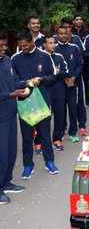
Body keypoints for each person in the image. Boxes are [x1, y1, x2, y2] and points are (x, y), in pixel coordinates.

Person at [11, 30, 59, 179]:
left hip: (42, 102)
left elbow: (53, 77)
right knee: (26, 136)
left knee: (45, 134)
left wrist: (41, 80)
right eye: (20, 46)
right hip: (24, 102)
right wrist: (26, 82)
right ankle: (28, 165)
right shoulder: (15, 59)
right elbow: (13, 81)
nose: (23, 48)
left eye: (25, 45)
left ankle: (49, 162)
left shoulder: (45, 56)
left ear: (31, 41)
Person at [0, 33, 27, 204]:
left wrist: (27, 83)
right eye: (0, 45)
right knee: (1, 155)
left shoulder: (7, 60)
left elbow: (15, 80)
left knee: (10, 152)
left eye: (4, 45)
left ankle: (6, 181)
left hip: (10, 113)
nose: (4, 48)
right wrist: (11, 94)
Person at [59, 18, 87, 135]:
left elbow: (80, 62)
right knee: (62, 105)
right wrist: (65, 78)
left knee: (77, 103)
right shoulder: (54, 46)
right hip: (61, 81)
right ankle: (62, 127)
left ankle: (80, 126)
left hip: (75, 80)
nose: (65, 33)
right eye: (62, 31)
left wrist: (74, 77)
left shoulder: (75, 43)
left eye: (68, 28)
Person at [55, 26, 82, 143]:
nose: (63, 36)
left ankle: (72, 132)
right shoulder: (54, 49)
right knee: (60, 111)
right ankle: (60, 133)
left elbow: (80, 65)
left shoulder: (74, 48)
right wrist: (64, 78)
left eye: (65, 33)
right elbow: (53, 68)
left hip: (72, 84)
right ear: (57, 35)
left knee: (73, 109)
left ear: (68, 34)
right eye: (60, 34)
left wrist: (73, 77)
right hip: (59, 85)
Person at [42, 34, 68, 151]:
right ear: (44, 44)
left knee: (60, 116)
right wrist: (53, 74)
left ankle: (57, 139)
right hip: (45, 92)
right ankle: (40, 141)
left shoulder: (59, 57)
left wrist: (58, 73)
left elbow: (66, 72)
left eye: (54, 43)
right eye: (50, 43)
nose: (53, 45)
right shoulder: (40, 57)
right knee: (43, 118)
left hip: (59, 91)